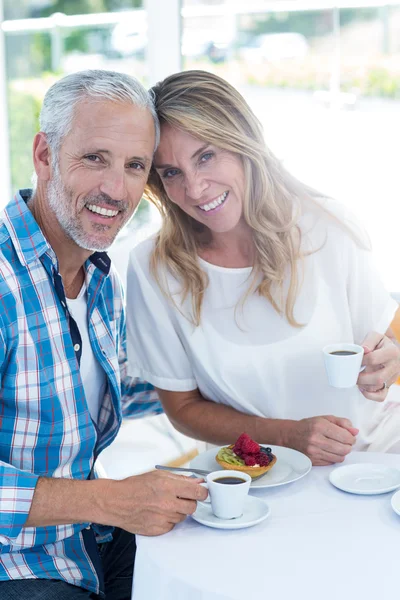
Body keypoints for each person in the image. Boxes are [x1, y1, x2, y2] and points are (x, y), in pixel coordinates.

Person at [0, 70, 207, 600]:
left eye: (134, 166)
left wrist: (237, 374)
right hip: (18, 568)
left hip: (87, 546)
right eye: (95, 158)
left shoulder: (97, 277)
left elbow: (121, 388)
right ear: (44, 154)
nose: (116, 191)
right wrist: (109, 500)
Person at [126, 69, 400, 469]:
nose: (196, 188)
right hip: (253, 476)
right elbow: (182, 408)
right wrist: (287, 434)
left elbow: (382, 346)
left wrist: (387, 363)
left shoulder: (328, 226)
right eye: (171, 173)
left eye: (206, 156)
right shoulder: (154, 268)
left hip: (374, 457)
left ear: (243, 144)